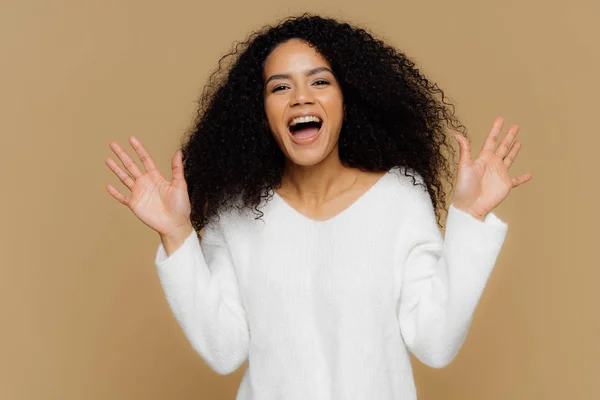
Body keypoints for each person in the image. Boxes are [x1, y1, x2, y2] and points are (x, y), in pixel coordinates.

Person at [104, 13, 532, 400]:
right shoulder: (234, 214)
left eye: (320, 81)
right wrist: (177, 234)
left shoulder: (399, 196)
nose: (301, 98)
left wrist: (470, 219)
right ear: (262, 112)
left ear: (348, 100)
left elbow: (435, 344)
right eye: (280, 87)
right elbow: (224, 351)